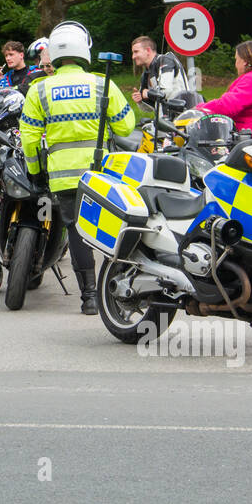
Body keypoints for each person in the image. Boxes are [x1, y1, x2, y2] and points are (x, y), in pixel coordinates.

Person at [19, 21, 137, 315]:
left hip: (62, 178)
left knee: (78, 231)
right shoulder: (102, 83)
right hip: (101, 174)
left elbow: (30, 138)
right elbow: (127, 125)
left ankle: (89, 297)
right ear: (84, 50)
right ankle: (120, 288)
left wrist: (35, 170)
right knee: (114, 230)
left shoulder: (39, 89)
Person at [196, 41, 252, 133]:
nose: (236, 64)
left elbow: (226, 106)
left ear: (244, 61)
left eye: (236, 59)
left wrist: (199, 109)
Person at [129, 36, 187, 107]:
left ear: (148, 50)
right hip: (164, 116)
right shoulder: (146, 74)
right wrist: (140, 100)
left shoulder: (165, 61)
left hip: (182, 115)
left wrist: (147, 93)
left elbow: (166, 91)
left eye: (136, 52)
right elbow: (151, 108)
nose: (133, 57)